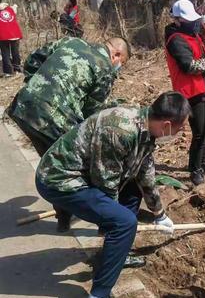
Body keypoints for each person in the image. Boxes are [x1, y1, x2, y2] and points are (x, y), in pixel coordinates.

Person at [35, 92, 188, 298]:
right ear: (167, 124)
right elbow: (106, 183)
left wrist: (159, 214)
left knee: (133, 192)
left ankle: (115, 253)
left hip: (86, 174)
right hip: (59, 180)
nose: (179, 135)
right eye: (179, 130)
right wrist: (115, 222)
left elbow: (144, 172)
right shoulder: (120, 130)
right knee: (125, 222)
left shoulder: (146, 128)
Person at [7, 36, 130, 231]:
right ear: (116, 54)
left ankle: (63, 219)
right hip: (54, 120)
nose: (118, 67)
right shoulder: (105, 67)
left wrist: (37, 84)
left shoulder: (70, 41)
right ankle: (106, 223)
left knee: (53, 162)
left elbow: (32, 59)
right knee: (76, 168)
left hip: (24, 107)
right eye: (121, 63)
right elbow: (92, 113)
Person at [165, 0, 205, 186]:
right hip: (191, 91)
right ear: (177, 20)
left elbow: (203, 43)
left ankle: (203, 162)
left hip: (204, 87)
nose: (191, 23)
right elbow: (188, 65)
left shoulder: (190, 32)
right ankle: (194, 169)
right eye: (187, 20)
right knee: (199, 132)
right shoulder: (175, 39)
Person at [0, 0, 23, 77]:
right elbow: (15, 9)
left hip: (3, 35)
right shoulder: (10, 8)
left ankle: (8, 72)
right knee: (15, 52)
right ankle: (17, 68)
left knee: (5, 53)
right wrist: (15, 6)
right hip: (15, 34)